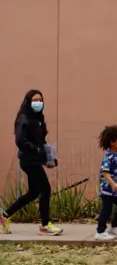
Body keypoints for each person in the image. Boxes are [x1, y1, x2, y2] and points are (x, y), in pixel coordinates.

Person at [0, 90, 63, 236]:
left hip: (36, 160)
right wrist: (37, 150)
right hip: (28, 160)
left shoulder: (38, 119)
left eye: (41, 100)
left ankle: (5, 216)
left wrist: (48, 158)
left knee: (34, 193)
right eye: (35, 100)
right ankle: (45, 225)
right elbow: (20, 141)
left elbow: (41, 142)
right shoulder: (23, 118)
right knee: (45, 189)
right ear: (28, 101)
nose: (39, 103)